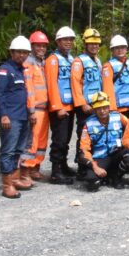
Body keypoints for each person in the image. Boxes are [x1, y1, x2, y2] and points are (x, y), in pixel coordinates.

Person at [0, 36, 36, 198]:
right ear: (11, 52)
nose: (22, 55)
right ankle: (7, 186)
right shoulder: (5, 70)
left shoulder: (21, 70)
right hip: (10, 119)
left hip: (23, 117)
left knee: (19, 150)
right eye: (19, 52)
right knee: (8, 151)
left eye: (25, 52)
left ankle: (14, 179)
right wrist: (3, 115)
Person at [78, 92, 129, 191]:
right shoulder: (88, 124)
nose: (102, 111)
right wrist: (95, 167)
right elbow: (84, 149)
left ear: (108, 106)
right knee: (92, 183)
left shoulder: (118, 117)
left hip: (116, 154)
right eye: (98, 108)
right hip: (100, 157)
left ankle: (116, 177)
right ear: (94, 109)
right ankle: (105, 176)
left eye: (104, 107)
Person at [45, 26, 77, 185]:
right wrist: (57, 107)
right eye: (65, 39)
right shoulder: (53, 60)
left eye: (71, 39)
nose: (68, 42)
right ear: (58, 41)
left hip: (70, 106)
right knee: (59, 139)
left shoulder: (71, 59)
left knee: (66, 139)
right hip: (60, 108)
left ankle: (63, 165)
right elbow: (51, 85)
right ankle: (56, 172)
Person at [71, 28, 103, 179]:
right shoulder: (79, 61)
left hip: (97, 106)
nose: (94, 46)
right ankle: (82, 168)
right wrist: (82, 103)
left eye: (96, 44)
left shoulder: (98, 61)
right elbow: (75, 84)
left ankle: (93, 164)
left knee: (96, 134)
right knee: (83, 136)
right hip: (85, 106)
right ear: (85, 43)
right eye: (91, 43)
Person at [20, 30, 49, 180]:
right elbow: (29, 90)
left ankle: (36, 167)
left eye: (43, 46)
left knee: (42, 141)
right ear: (32, 46)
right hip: (35, 109)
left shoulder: (43, 63)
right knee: (31, 141)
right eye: (38, 46)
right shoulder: (28, 63)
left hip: (45, 110)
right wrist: (31, 110)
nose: (41, 49)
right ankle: (25, 170)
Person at [102, 35, 129, 118]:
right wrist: (112, 109)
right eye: (117, 48)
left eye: (122, 47)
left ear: (126, 49)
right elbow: (108, 89)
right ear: (112, 50)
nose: (120, 50)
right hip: (118, 109)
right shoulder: (108, 66)